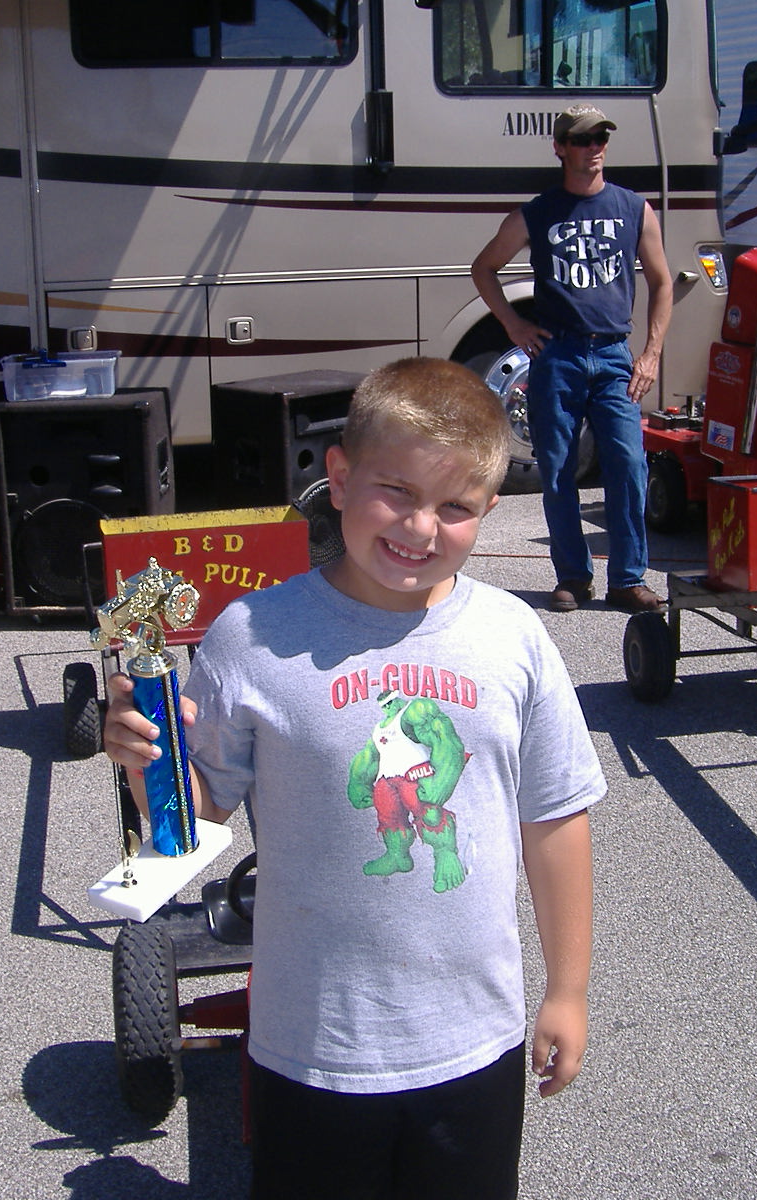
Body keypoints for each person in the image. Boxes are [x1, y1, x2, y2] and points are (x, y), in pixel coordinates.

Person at [104, 357, 603, 1200]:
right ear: (338, 479)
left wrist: (569, 991)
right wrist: (146, 761)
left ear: (489, 509)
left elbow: (554, 818)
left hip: (474, 1042)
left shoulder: (514, 638)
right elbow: (195, 820)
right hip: (312, 1047)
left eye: (454, 506)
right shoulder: (251, 638)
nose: (421, 526)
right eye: (395, 491)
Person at [471, 103, 673, 614]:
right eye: (582, 140)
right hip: (557, 355)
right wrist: (514, 325)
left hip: (613, 354)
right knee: (559, 471)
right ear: (560, 148)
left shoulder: (634, 208)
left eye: (600, 138)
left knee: (628, 465)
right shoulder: (536, 213)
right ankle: (573, 577)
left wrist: (650, 354)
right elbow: (484, 267)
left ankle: (627, 579)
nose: (594, 148)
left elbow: (662, 281)